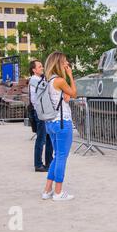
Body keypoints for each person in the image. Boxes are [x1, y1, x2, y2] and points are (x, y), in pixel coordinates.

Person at [42, 52, 76, 201]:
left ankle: (47, 190)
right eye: (65, 62)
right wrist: (70, 75)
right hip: (62, 122)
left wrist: (65, 96)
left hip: (51, 122)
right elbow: (74, 93)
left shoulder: (49, 81)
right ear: (59, 63)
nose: (67, 64)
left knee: (56, 156)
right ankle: (58, 192)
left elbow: (64, 97)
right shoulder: (60, 80)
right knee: (62, 157)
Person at [29, 60, 53, 172]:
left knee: (48, 138)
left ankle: (49, 162)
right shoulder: (34, 80)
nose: (42, 68)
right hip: (40, 113)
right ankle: (38, 164)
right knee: (41, 139)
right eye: (40, 66)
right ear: (34, 70)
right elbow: (40, 95)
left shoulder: (41, 79)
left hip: (45, 112)